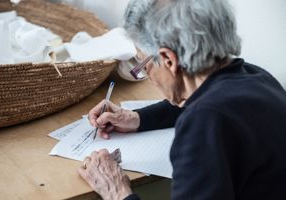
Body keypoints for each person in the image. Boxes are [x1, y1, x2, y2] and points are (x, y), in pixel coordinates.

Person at [77, 0, 286, 199]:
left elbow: (204, 112)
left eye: (143, 63)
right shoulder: (255, 77)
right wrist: (136, 118)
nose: (148, 76)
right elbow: (199, 100)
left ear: (168, 59)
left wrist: (117, 192)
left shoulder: (204, 122)